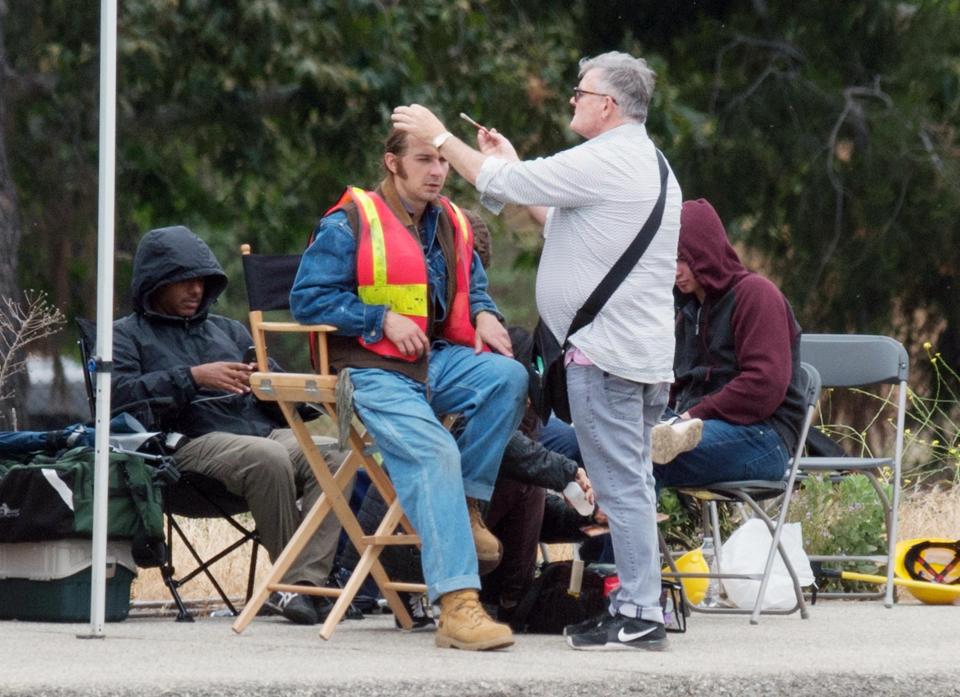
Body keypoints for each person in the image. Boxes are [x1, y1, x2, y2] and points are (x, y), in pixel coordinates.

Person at [392, 50, 682, 651]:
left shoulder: (605, 157)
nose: (571, 99)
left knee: (621, 485)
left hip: (608, 356)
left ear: (607, 104)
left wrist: (440, 136)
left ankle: (639, 611)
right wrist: (514, 166)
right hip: (636, 354)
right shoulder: (644, 162)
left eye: (580, 91)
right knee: (630, 482)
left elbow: (502, 185)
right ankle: (635, 604)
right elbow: (561, 222)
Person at [289, 128, 528, 651]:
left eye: (443, 162)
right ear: (392, 163)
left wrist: (485, 313)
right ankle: (458, 606)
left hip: (436, 360)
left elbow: (476, 286)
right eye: (424, 160)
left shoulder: (452, 220)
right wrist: (379, 319)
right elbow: (307, 299)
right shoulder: (349, 221)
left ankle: (465, 505)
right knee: (435, 450)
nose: (438, 172)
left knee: (508, 377)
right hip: (374, 368)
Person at [112, 225, 348, 626]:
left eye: (202, 282)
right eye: (183, 282)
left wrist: (266, 379)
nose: (196, 291)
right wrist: (193, 378)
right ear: (155, 283)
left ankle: (307, 582)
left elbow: (281, 402)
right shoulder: (126, 335)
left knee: (338, 454)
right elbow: (117, 401)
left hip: (255, 433)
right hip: (183, 449)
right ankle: (291, 586)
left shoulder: (230, 330)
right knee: (268, 455)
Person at [652, 199, 807, 488]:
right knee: (615, 449)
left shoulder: (756, 295)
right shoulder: (687, 312)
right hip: (695, 427)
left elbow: (764, 385)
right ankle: (621, 533)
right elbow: (676, 384)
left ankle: (630, 534)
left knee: (644, 458)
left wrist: (689, 417)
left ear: (704, 252)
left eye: (682, 258)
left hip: (763, 437)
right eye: (669, 260)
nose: (675, 270)